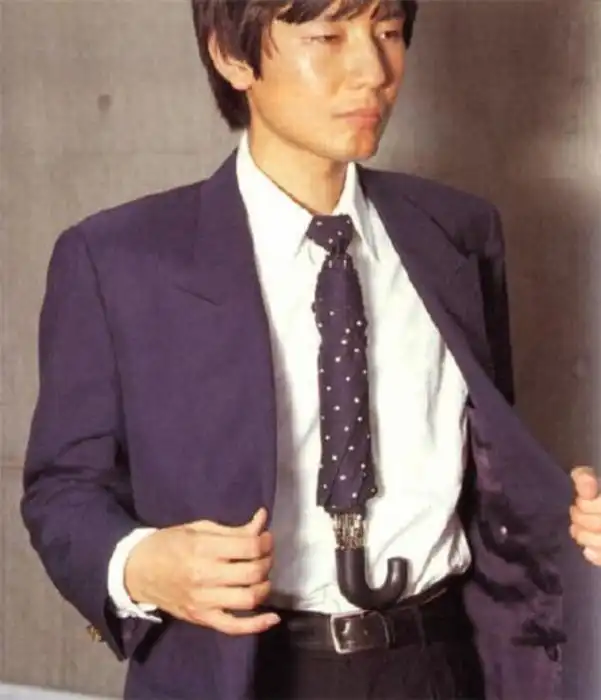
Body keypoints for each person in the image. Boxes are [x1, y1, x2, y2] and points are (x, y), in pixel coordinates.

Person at [20, 0, 595, 698]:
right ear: (229, 54)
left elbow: (491, 476)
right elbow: (63, 489)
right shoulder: (119, 260)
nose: (372, 70)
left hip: (437, 665)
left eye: (388, 32)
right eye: (327, 36)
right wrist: (139, 565)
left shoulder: (459, 232)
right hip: (242, 673)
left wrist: (568, 519)